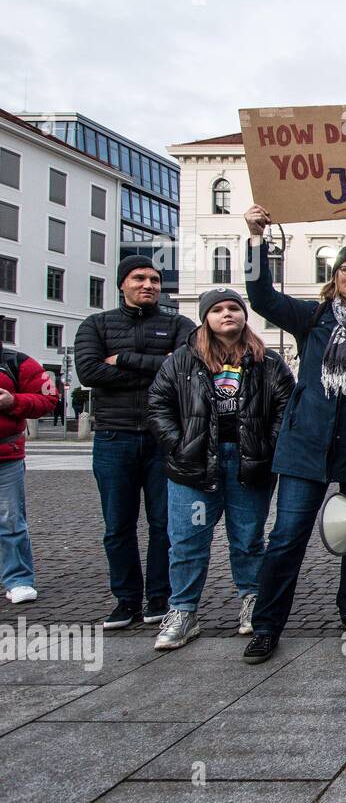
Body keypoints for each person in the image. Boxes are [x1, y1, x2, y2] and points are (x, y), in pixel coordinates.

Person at [241, 204, 346, 664]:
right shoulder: (312, 318)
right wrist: (255, 241)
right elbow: (262, 298)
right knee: (287, 537)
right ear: (335, 277)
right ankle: (268, 626)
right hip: (305, 446)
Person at [146, 287, 294, 649]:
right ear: (205, 318)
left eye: (234, 308)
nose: (227, 314)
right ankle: (183, 611)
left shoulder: (267, 362)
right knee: (187, 541)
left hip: (249, 463)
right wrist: (180, 446)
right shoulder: (182, 360)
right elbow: (158, 405)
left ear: (244, 315)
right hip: (193, 467)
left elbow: (286, 408)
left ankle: (252, 602)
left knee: (247, 540)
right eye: (217, 310)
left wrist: (267, 445)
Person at [75, 256, 196, 629]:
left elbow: (186, 367)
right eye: (139, 278)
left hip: (164, 439)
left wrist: (124, 360)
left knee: (165, 524)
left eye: (155, 279)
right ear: (122, 284)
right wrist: (156, 367)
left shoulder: (179, 324)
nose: (149, 285)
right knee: (118, 525)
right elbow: (90, 372)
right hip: (114, 436)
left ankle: (159, 596)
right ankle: (126, 599)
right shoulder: (95, 324)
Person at [1, 338, 57, 603]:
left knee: (10, 520)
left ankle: (18, 579)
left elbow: (48, 399)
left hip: (5, 455)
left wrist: (13, 401)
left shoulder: (17, 362)